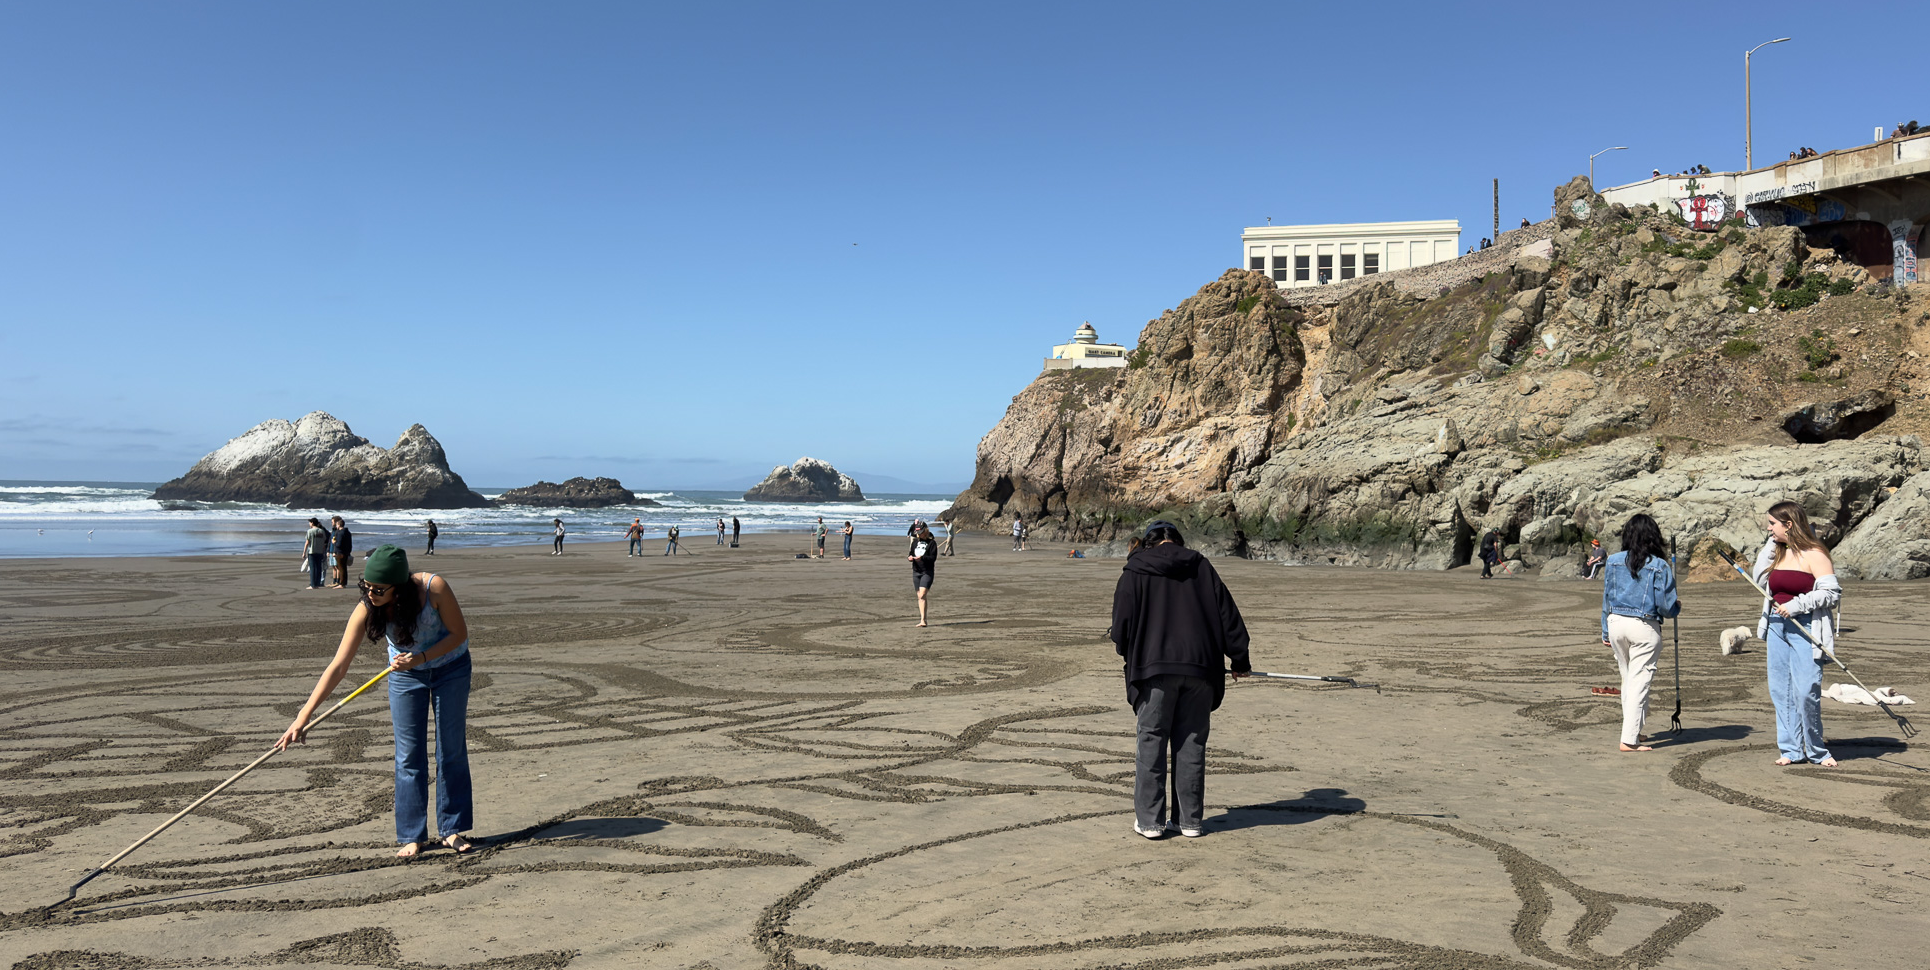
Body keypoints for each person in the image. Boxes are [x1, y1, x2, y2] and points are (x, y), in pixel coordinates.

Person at [275, 544, 475, 858]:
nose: (371, 594)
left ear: (400, 588)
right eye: (366, 587)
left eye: (379, 589)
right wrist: (303, 717)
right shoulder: (368, 606)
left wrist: (421, 656)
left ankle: (451, 829)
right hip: (406, 676)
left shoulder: (433, 588)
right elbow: (339, 666)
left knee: (450, 749)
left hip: (451, 669)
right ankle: (413, 835)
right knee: (409, 756)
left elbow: (459, 633)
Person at [1110, 521, 1251, 839]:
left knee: (1152, 741)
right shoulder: (1200, 566)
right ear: (1177, 540)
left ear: (1149, 542)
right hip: (1200, 670)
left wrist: (1127, 651)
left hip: (1154, 670)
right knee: (1191, 744)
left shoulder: (1136, 569)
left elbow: (1121, 625)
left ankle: (1150, 822)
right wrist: (1239, 659)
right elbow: (1229, 617)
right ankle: (1189, 821)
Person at [1754, 502, 1841, 767]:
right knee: (1781, 691)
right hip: (1776, 627)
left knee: (1806, 691)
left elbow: (1831, 594)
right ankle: (1791, 750)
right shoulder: (1777, 552)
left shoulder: (1815, 553)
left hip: (1806, 626)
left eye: (1773, 524)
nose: (1769, 528)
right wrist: (1771, 545)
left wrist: (1795, 605)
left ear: (1788, 524)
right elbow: (1758, 580)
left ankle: (1817, 750)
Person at [1599, 514, 1681, 753]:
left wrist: (1605, 630)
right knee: (1639, 680)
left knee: (1628, 678)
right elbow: (1666, 607)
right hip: (1643, 626)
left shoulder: (1613, 561)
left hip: (1616, 623)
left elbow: (1606, 598)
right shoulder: (1659, 565)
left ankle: (1635, 729)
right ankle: (1629, 739)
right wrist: (1677, 607)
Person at [908, 522, 937, 627]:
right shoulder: (915, 542)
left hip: (927, 571)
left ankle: (923, 620)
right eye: (917, 533)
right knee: (919, 597)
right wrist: (910, 558)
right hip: (916, 571)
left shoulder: (932, 543)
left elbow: (933, 558)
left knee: (922, 594)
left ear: (925, 531)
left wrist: (922, 558)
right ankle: (923, 620)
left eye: (920, 532)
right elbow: (911, 553)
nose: (919, 535)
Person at [301, 518, 330, 590]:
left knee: (313, 568)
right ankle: (317, 583)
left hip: (312, 551)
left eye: (310, 522)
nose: (309, 524)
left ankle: (313, 584)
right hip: (320, 551)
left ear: (312, 523)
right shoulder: (321, 531)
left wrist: (304, 552)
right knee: (319, 568)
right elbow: (324, 542)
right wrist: (323, 551)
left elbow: (307, 542)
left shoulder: (310, 531)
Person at [328, 516, 354, 588]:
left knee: (341, 568)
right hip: (346, 552)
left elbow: (338, 544)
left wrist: (334, 543)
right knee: (344, 569)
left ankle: (341, 584)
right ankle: (343, 583)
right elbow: (350, 544)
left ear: (339, 525)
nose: (336, 526)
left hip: (340, 553)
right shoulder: (348, 532)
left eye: (336, 525)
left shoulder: (340, 533)